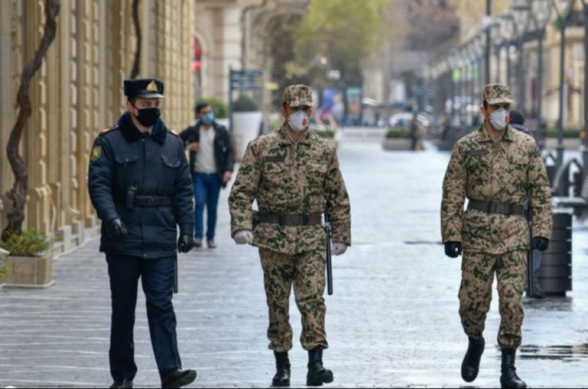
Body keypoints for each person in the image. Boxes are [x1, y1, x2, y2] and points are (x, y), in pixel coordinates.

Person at [228, 85, 351, 387]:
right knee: (277, 302)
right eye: (295, 109)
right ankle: (282, 365)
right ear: (283, 111)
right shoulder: (262, 147)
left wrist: (341, 234)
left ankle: (316, 363)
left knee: (312, 299)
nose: (301, 114)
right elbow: (242, 191)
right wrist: (241, 225)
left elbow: (338, 195)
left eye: (306, 109)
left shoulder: (324, 150)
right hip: (273, 238)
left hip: (311, 237)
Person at [441, 84, 552, 389]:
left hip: (515, 233)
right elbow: (452, 193)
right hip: (476, 234)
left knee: (512, 302)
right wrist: (451, 235)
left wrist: (541, 230)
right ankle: (475, 340)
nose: (502, 112)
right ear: (484, 110)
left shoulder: (525, 146)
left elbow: (540, 191)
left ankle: (508, 367)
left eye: (506, 105)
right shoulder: (466, 147)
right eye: (496, 106)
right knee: (472, 304)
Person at [88, 79, 196, 389]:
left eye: (155, 104)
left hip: (161, 237)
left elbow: (183, 191)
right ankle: (122, 375)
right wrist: (110, 218)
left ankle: (170, 370)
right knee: (123, 308)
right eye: (145, 104)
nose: (151, 109)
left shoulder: (174, 143)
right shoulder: (108, 142)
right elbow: (98, 184)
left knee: (162, 305)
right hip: (123, 239)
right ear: (130, 106)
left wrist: (187, 229)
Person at [180, 103, 234, 249]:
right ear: (199, 115)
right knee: (198, 204)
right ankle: (198, 236)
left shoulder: (221, 131)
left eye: (210, 112)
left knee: (212, 207)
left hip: (215, 175)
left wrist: (228, 170)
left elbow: (229, 152)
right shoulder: (193, 131)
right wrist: (188, 147)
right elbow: (177, 141)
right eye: (205, 113)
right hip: (198, 175)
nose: (208, 115)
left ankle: (210, 238)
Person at [509, 109, 545, 299]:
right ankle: (530, 279)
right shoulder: (530, 141)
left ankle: (512, 281)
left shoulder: (497, 138)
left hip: (505, 204)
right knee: (534, 240)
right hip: (527, 202)